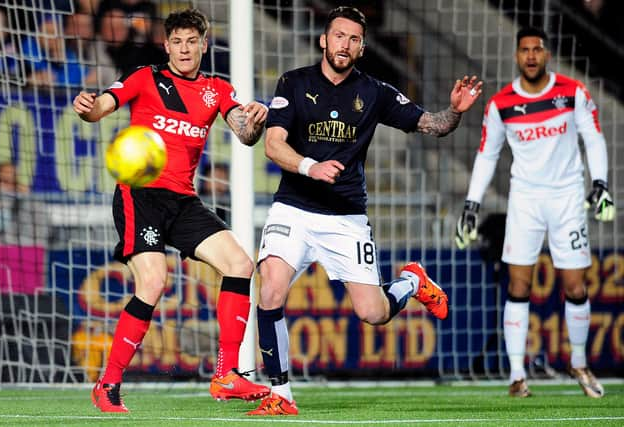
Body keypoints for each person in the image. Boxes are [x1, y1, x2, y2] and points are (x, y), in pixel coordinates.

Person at [249, 6, 483, 416]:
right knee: (269, 288)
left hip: (345, 217)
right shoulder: (294, 82)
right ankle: (280, 395)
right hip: (294, 209)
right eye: (339, 35)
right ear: (324, 39)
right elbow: (273, 144)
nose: (345, 44)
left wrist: (457, 111)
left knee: (373, 313)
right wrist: (311, 166)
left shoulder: (374, 92)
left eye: (354, 39)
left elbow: (434, 124)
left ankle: (411, 282)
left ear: (362, 47)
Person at [72, 8, 270, 413]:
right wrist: (87, 107)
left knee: (240, 264)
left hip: (183, 200)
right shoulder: (144, 77)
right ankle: (107, 385)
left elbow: (246, 135)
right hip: (140, 194)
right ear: (166, 45)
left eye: (191, 42)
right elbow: (103, 107)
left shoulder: (217, 89)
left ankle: (226, 374)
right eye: (176, 42)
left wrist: (257, 121)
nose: (183, 49)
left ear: (204, 45)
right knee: (153, 283)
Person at [454, 27, 615, 398]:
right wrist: (471, 204)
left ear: (546, 55)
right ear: (516, 56)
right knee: (518, 284)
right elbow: (487, 155)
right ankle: (515, 375)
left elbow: (593, 137)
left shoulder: (572, 92)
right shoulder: (501, 104)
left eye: (537, 49)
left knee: (575, 285)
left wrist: (601, 183)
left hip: (567, 198)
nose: (530, 56)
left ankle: (578, 361)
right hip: (524, 201)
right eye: (524, 50)